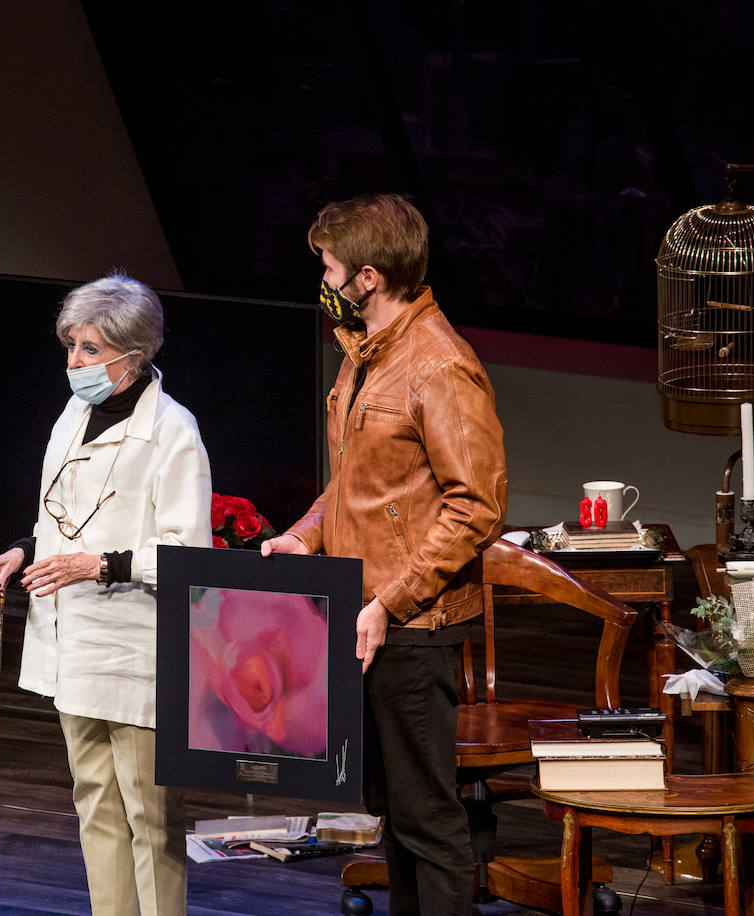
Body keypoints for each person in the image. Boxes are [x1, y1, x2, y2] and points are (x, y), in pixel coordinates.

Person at [260, 194, 506, 916]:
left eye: (331, 267)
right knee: (392, 815)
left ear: (368, 277)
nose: (324, 279)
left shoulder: (438, 367)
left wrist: (389, 601)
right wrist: (306, 532)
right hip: (365, 613)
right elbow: (356, 483)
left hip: (412, 625)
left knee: (427, 819)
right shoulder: (365, 356)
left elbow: (477, 506)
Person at [0, 274, 211, 916]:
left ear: (133, 356)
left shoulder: (173, 431)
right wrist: (24, 550)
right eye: (71, 346)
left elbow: (190, 553)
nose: (73, 363)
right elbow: (65, 516)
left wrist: (99, 565)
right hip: (72, 641)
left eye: (88, 350)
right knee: (94, 801)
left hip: (138, 648)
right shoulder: (73, 415)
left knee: (149, 814)